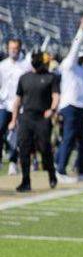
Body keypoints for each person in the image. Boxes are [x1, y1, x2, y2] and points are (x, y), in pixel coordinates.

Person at [54, 16, 83, 182]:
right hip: (70, 107)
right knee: (69, 139)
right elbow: (77, 46)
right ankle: (60, 171)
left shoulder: (79, 67)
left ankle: (82, 170)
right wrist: (82, 29)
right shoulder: (69, 64)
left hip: (79, 108)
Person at [9, 49, 59, 192]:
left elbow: (56, 96)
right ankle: (25, 181)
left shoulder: (50, 77)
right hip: (26, 117)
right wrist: (13, 120)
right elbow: (17, 101)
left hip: (42, 118)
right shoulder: (24, 78)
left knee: (45, 149)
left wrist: (52, 109)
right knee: (24, 149)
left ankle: (51, 174)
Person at [1, 37, 34, 176]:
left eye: (15, 48)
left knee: (17, 135)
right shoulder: (2, 65)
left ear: (20, 48)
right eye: (11, 48)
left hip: (20, 105)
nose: (13, 51)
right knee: (1, 129)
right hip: (3, 103)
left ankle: (14, 161)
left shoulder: (26, 65)